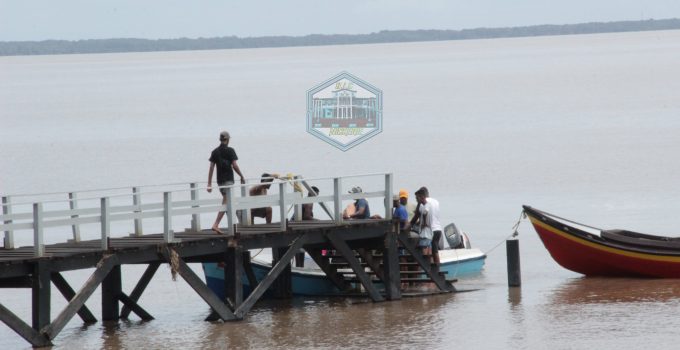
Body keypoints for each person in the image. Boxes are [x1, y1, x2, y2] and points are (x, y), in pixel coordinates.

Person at [207, 131, 245, 234]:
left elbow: (211, 168)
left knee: (229, 202)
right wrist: (241, 176)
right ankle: (216, 224)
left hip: (219, 181)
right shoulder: (230, 151)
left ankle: (234, 225)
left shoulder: (214, 152)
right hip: (228, 180)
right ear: (227, 140)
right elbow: (235, 166)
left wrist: (209, 184)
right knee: (227, 201)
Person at [414, 186, 444, 265]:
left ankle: (428, 265)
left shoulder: (423, 203)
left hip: (430, 229)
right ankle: (437, 266)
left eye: (417, 198)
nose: (417, 200)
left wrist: (422, 223)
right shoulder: (436, 201)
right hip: (438, 229)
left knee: (425, 246)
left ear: (422, 196)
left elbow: (422, 214)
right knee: (434, 249)